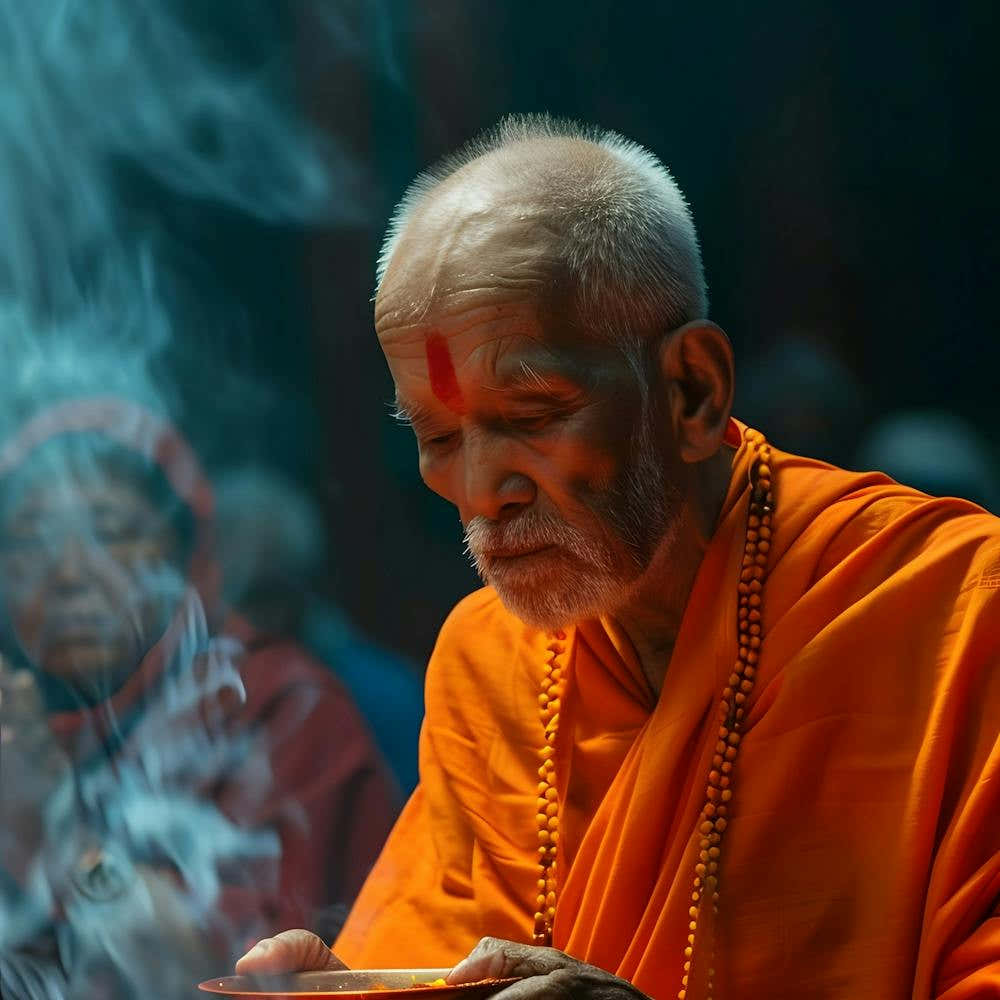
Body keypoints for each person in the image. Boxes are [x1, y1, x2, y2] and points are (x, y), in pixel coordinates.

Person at [237, 116, 1000, 998]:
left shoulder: (956, 617)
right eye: (438, 434)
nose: (484, 490)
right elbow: (439, 957)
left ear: (691, 391)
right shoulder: (488, 662)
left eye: (531, 417)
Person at [0, 396, 398, 998]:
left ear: (187, 558)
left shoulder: (273, 708)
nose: (68, 571)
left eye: (112, 532)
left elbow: (230, 985)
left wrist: (54, 825)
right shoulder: (20, 724)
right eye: (31, 541)